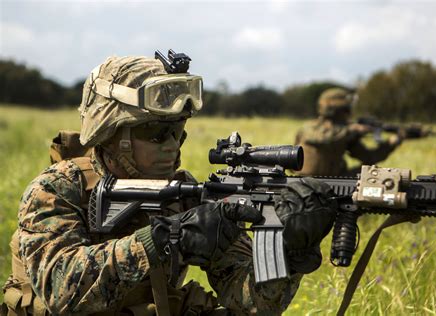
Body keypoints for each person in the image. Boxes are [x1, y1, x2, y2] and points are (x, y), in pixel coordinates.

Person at [2, 55, 337, 315]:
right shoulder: (58, 188)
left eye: (178, 132)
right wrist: (165, 239)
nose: (172, 146)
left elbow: (251, 301)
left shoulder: (186, 195)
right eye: (156, 134)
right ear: (112, 134)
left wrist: (288, 251)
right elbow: (61, 290)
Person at [295, 88, 403, 177]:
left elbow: (369, 158)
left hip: (334, 182)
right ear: (336, 110)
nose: (349, 114)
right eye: (346, 109)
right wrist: (352, 131)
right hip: (304, 183)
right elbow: (323, 138)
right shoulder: (310, 128)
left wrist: (390, 144)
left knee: (372, 171)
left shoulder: (346, 134)